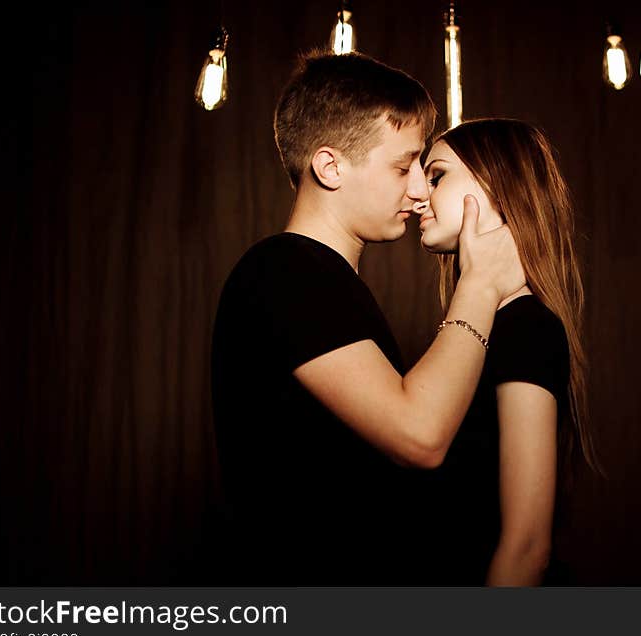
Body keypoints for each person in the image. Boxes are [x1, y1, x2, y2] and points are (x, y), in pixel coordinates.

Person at [209, 52, 525, 584]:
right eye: (403, 167)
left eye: (424, 169)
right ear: (330, 167)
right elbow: (420, 435)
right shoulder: (284, 271)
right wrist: (481, 281)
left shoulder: (326, 282)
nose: (420, 189)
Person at [417, 118, 602, 586]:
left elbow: (526, 546)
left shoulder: (525, 327)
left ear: (497, 188)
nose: (418, 193)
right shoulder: (480, 325)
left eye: (436, 175)